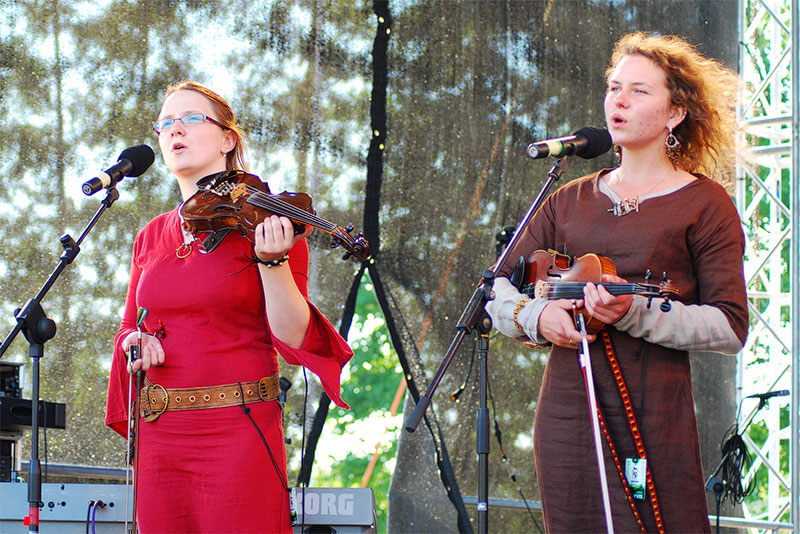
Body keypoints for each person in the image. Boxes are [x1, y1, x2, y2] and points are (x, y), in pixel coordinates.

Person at [486, 32, 748, 533]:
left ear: (675, 114)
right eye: (613, 88)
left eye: (638, 91)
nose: (619, 101)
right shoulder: (568, 198)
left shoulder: (705, 203)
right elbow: (497, 288)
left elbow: (729, 327)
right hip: (568, 410)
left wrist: (636, 313)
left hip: (653, 410)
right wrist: (537, 316)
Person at [104, 80, 353, 533]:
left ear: (227, 140)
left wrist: (272, 261)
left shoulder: (267, 221)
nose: (175, 129)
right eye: (165, 122)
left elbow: (293, 334)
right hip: (161, 434)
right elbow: (127, 328)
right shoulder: (150, 235)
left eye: (191, 118)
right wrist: (133, 341)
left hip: (238, 428)